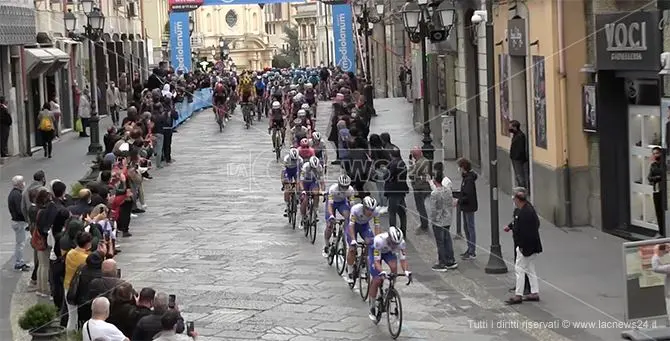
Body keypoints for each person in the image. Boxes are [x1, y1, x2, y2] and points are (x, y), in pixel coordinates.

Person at [505, 187, 542, 305]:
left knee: (519, 269)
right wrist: (510, 226)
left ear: (517, 199)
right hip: (532, 246)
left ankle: (518, 295)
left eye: (514, 197)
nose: (513, 199)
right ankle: (534, 292)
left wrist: (521, 247)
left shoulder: (525, 213)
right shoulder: (525, 209)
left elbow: (526, 232)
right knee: (530, 269)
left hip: (526, 247)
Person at [367, 226, 411, 320]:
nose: (394, 245)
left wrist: (406, 271)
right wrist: (382, 271)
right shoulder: (379, 241)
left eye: (396, 244)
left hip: (388, 252)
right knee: (377, 279)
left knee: (394, 267)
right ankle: (372, 306)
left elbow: (403, 260)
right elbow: (376, 262)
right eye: (393, 243)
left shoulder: (401, 243)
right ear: (389, 238)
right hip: (375, 251)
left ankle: (391, 288)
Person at [346, 196, 382, 283]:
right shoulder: (356, 209)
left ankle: (363, 262)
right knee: (352, 249)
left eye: (372, 210)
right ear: (363, 207)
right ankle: (350, 271)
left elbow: (377, 226)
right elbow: (351, 225)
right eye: (368, 209)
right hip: (353, 226)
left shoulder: (376, 212)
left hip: (364, 227)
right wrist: (354, 240)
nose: (370, 212)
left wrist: (377, 240)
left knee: (371, 242)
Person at [429, 163, 457, 271]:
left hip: (438, 221)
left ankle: (442, 262)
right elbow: (450, 204)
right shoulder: (448, 191)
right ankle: (450, 260)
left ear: (435, 181)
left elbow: (433, 209)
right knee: (447, 239)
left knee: (440, 242)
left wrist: (433, 219)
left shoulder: (434, 193)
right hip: (447, 218)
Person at [324, 175, 355, 257]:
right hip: (332, 203)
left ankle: (345, 234)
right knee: (329, 225)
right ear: (339, 185)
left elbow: (352, 205)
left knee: (348, 216)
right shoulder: (333, 189)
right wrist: (331, 215)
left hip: (342, 203)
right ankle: (326, 244)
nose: (344, 189)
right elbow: (330, 205)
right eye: (342, 187)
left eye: (346, 187)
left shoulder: (351, 190)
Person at [456, 158, 478, 260]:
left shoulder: (468, 180)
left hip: (469, 206)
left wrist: (458, 201)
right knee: (467, 228)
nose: (458, 169)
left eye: (459, 167)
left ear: (463, 168)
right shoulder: (466, 178)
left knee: (470, 228)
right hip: (467, 206)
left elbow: (468, 195)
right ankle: (469, 249)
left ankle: (471, 250)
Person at [8, 175, 30, 271]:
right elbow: (20, 210)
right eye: (23, 182)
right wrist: (27, 219)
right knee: (20, 244)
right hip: (19, 222)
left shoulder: (13, 193)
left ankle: (19, 262)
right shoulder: (17, 195)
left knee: (20, 243)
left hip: (16, 221)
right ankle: (19, 263)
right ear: (20, 184)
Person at [298, 156, 325, 230]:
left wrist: (322, 191)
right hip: (305, 182)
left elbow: (322, 181)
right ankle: (303, 217)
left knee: (316, 194)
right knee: (305, 200)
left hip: (313, 182)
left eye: (315, 168)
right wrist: (303, 190)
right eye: (312, 168)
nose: (314, 169)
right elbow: (301, 181)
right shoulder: (305, 166)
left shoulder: (319, 167)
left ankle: (315, 211)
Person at [649, 147, 665, 237]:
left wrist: (658, 177)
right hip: (656, 190)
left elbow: (664, 175)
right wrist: (657, 178)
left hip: (664, 191)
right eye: (654, 153)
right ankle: (661, 232)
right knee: (658, 212)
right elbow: (650, 178)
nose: (656, 155)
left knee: (664, 212)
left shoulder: (665, 164)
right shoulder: (653, 165)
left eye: (657, 153)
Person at [281, 148, 303, 217]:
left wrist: (299, 182)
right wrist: (284, 182)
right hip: (288, 171)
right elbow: (283, 172)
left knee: (298, 183)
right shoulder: (286, 159)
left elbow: (301, 172)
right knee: (287, 189)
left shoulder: (300, 159)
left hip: (296, 170)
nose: (294, 160)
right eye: (293, 159)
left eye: (295, 159)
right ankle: (287, 206)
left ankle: (297, 197)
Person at [509, 120, 529, 189]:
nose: (509, 128)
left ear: (515, 127)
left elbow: (520, 149)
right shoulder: (516, 135)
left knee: (520, 176)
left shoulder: (520, 136)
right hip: (515, 159)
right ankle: (520, 190)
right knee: (518, 176)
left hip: (518, 159)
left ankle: (522, 191)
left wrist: (516, 157)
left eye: (510, 127)